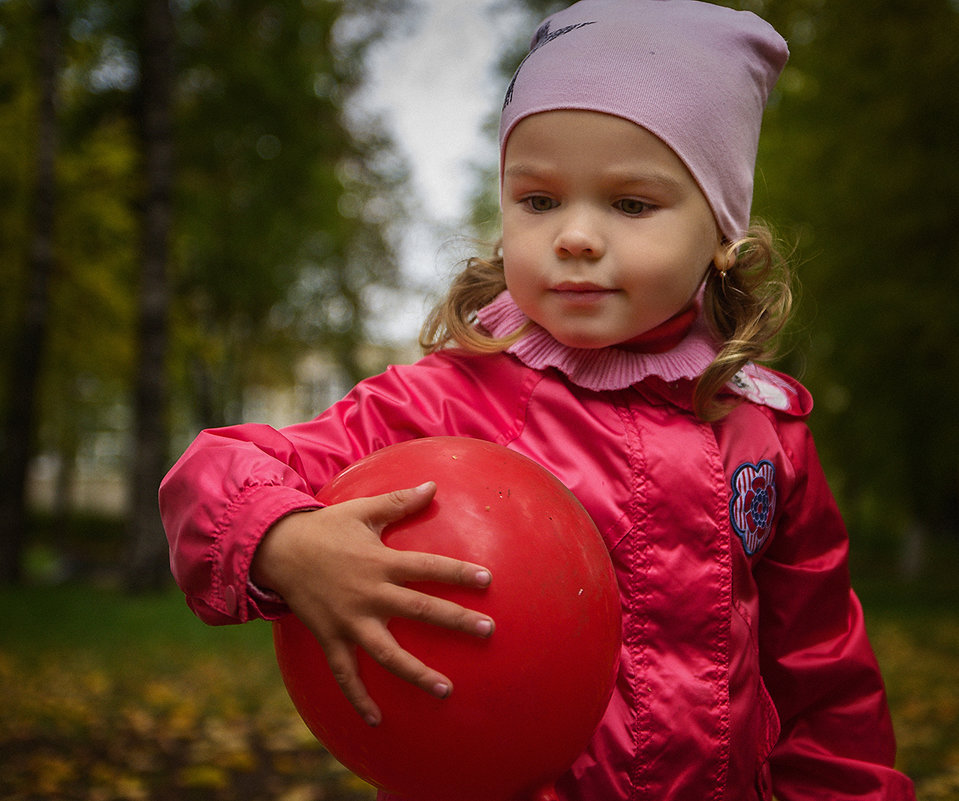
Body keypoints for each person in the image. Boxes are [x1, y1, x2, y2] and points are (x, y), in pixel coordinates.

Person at [160, 1, 916, 798]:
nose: (575, 236)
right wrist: (285, 540)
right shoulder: (444, 404)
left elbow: (823, 679)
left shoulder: (765, 432)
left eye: (630, 203)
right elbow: (217, 470)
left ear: (723, 232)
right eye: (538, 200)